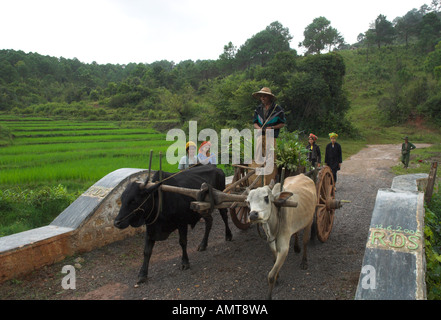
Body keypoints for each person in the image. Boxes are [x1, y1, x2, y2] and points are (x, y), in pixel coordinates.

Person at [252, 87, 286, 185]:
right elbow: (254, 123)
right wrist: (258, 127)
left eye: (265, 96)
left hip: (271, 136)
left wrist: (273, 127)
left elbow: (282, 123)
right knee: (258, 156)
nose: (263, 98)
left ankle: (270, 180)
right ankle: (258, 181)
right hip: (260, 135)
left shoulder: (277, 109)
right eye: (261, 96)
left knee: (270, 158)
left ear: (270, 97)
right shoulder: (258, 109)